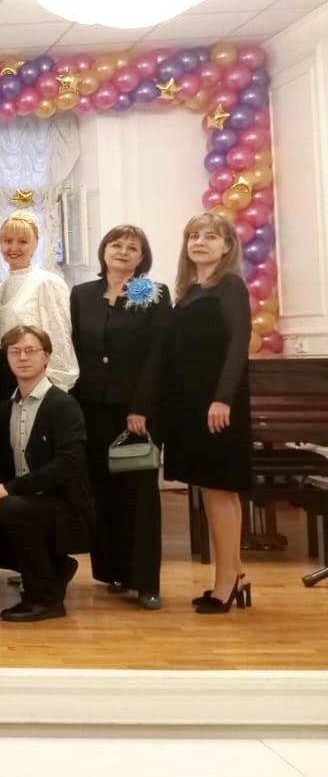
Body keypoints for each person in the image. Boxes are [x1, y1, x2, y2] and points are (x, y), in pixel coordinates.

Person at [71, 225, 170, 609]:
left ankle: (145, 582)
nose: (123, 251)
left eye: (133, 247)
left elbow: (158, 354)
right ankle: (114, 570)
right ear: (104, 250)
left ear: (142, 257)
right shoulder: (83, 294)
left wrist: (140, 407)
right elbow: (75, 348)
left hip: (135, 414)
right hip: (91, 409)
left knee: (140, 495)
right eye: (117, 244)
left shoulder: (151, 293)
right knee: (103, 491)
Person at [163, 212, 253, 614]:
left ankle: (226, 581)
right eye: (193, 236)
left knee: (220, 489)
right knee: (213, 489)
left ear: (227, 245)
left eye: (210, 237)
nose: (199, 242)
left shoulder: (230, 285)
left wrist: (223, 399)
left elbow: (238, 344)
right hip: (192, 403)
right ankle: (237, 573)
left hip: (218, 404)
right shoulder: (188, 292)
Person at [0, 325, 94, 623]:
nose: (23, 357)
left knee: (15, 507)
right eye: (15, 352)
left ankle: (43, 599)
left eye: (31, 351)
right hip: (23, 504)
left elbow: (68, 464)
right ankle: (56, 567)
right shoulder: (5, 410)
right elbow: (2, 464)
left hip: (64, 508)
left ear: (47, 357)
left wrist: (10, 490)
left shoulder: (63, 405)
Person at [0, 211, 78, 400]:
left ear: (35, 245)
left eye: (23, 241)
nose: (13, 247)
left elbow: (60, 339)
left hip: (41, 385)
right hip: (9, 381)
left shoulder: (47, 283)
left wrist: (56, 389)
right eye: (7, 241)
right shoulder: (0, 289)